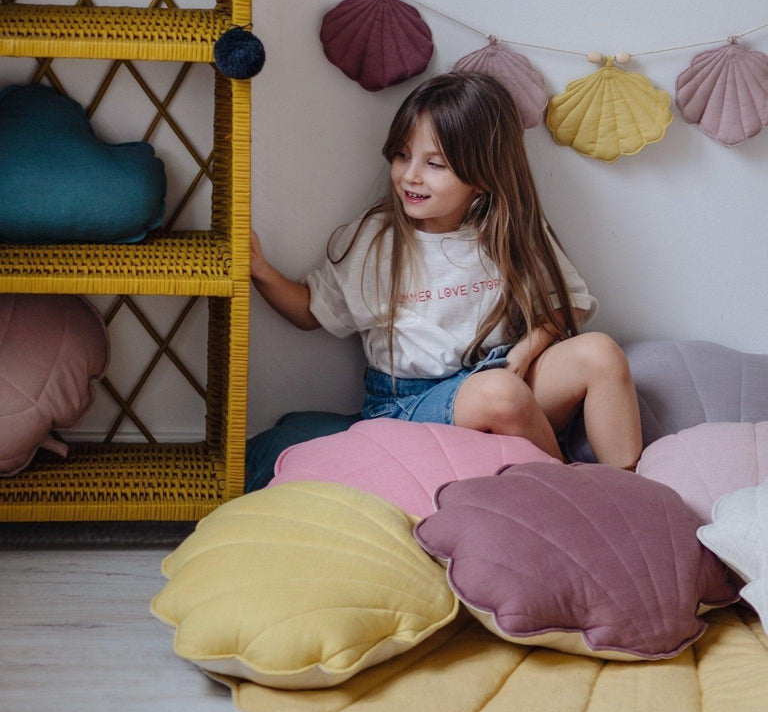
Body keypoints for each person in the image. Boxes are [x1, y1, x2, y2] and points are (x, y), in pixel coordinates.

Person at [250, 71, 642, 469]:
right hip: (410, 404)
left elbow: (567, 305)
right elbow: (311, 311)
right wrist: (261, 269)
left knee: (600, 352)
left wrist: (526, 351)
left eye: (434, 163)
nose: (410, 175)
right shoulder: (379, 240)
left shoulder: (510, 232)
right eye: (402, 155)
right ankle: (573, 492)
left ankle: (628, 488)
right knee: (500, 392)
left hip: (504, 374)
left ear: (482, 177)